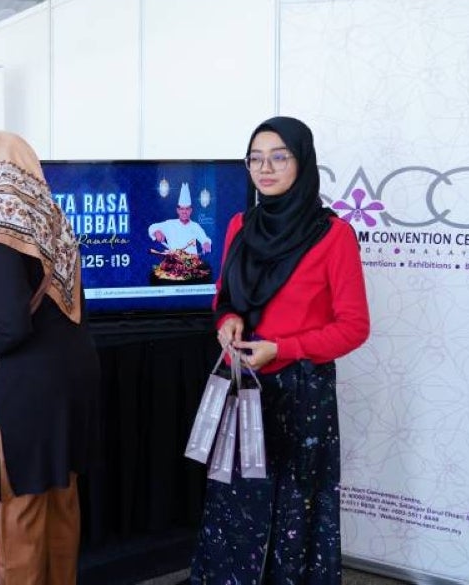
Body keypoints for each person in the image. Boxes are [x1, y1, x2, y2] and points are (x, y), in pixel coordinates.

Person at [186, 116, 370, 584]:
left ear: (302, 161)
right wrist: (228, 323)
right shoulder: (238, 225)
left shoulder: (334, 235)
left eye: (279, 157)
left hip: (301, 395)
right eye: (255, 158)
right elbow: (224, 298)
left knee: (293, 512)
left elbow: (354, 327)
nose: (264, 168)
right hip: (245, 387)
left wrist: (284, 347)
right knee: (237, 505)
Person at [0, 131, 101, 584]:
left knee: (18, 516)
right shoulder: (49, 217)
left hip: (29, 392)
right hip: (73, 381)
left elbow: (11, 325)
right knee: (60, 502)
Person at [147, 183, 212, 255]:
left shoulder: (195, 226)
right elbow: (152, 227)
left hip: (192, 262)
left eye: (187, 209)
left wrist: (206, 243)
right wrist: (157, 232)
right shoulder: (170, 224)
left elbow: (204, 239)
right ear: (178, 210)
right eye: (182, 209)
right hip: (173, 262)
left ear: (191, 211)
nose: (184, 212)